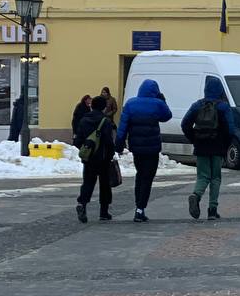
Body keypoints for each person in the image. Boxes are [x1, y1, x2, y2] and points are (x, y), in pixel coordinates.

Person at [115, 79, 172, 222]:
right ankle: (140, 208)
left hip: (136, 147)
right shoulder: (157, 104)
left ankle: (138, 205)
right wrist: (162, 100)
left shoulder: (130, 104)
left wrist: (119, 144)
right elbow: (167, 116)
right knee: (148, 177)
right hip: (152, 148)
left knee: (140, 174)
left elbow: (122, 127)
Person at [181, 76, 236, 220]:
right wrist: (226, 144)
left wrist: (194, 139)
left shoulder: (197, 105)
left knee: (203, 176)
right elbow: (231, 129)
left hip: (201, 145)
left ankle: (196, 195)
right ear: (220, 90)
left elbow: (185, 124)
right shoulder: (223, 107)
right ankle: (212, 210)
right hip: (218, 146)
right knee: (216, 178)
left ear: (205, 90)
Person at [74, 95, 116, 223]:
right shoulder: (106, 121)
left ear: (91, 106)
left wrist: (86, 148)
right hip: (103, 158)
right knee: (105, 185)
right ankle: (104, 212)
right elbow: (109, 141)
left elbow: (78, 140)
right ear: (104, 107)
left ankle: (82, 203)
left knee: (88, 182)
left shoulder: (84, 120)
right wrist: (111, 153)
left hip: (89, 158)